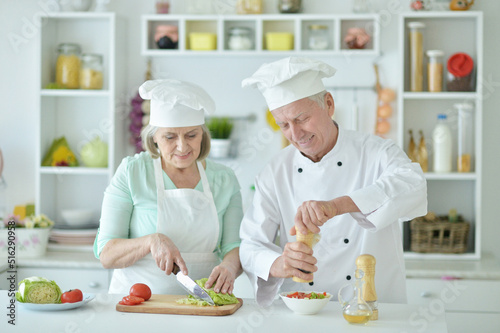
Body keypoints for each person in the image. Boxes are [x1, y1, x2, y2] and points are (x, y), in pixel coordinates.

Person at [239, 57, 427, 307]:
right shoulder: (274, 172)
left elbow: (413, 184)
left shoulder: (376, 152)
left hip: (372, 308)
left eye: (302, 118)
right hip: (302, 311)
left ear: (328, 104)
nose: (295, 135)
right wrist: (278, 264)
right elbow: (250, 245)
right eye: (283, 125)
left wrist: (337, 206)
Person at [94, 79, 243, 295]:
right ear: (154, 137)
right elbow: (107, 255)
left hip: (202, 305)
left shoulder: (224, 179)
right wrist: (151, 241)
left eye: (192, 135)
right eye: (170, 137)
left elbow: (234, 246)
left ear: (202, 134)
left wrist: (229, 267)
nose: (182, 146)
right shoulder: (132, 172)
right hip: (138, 306)